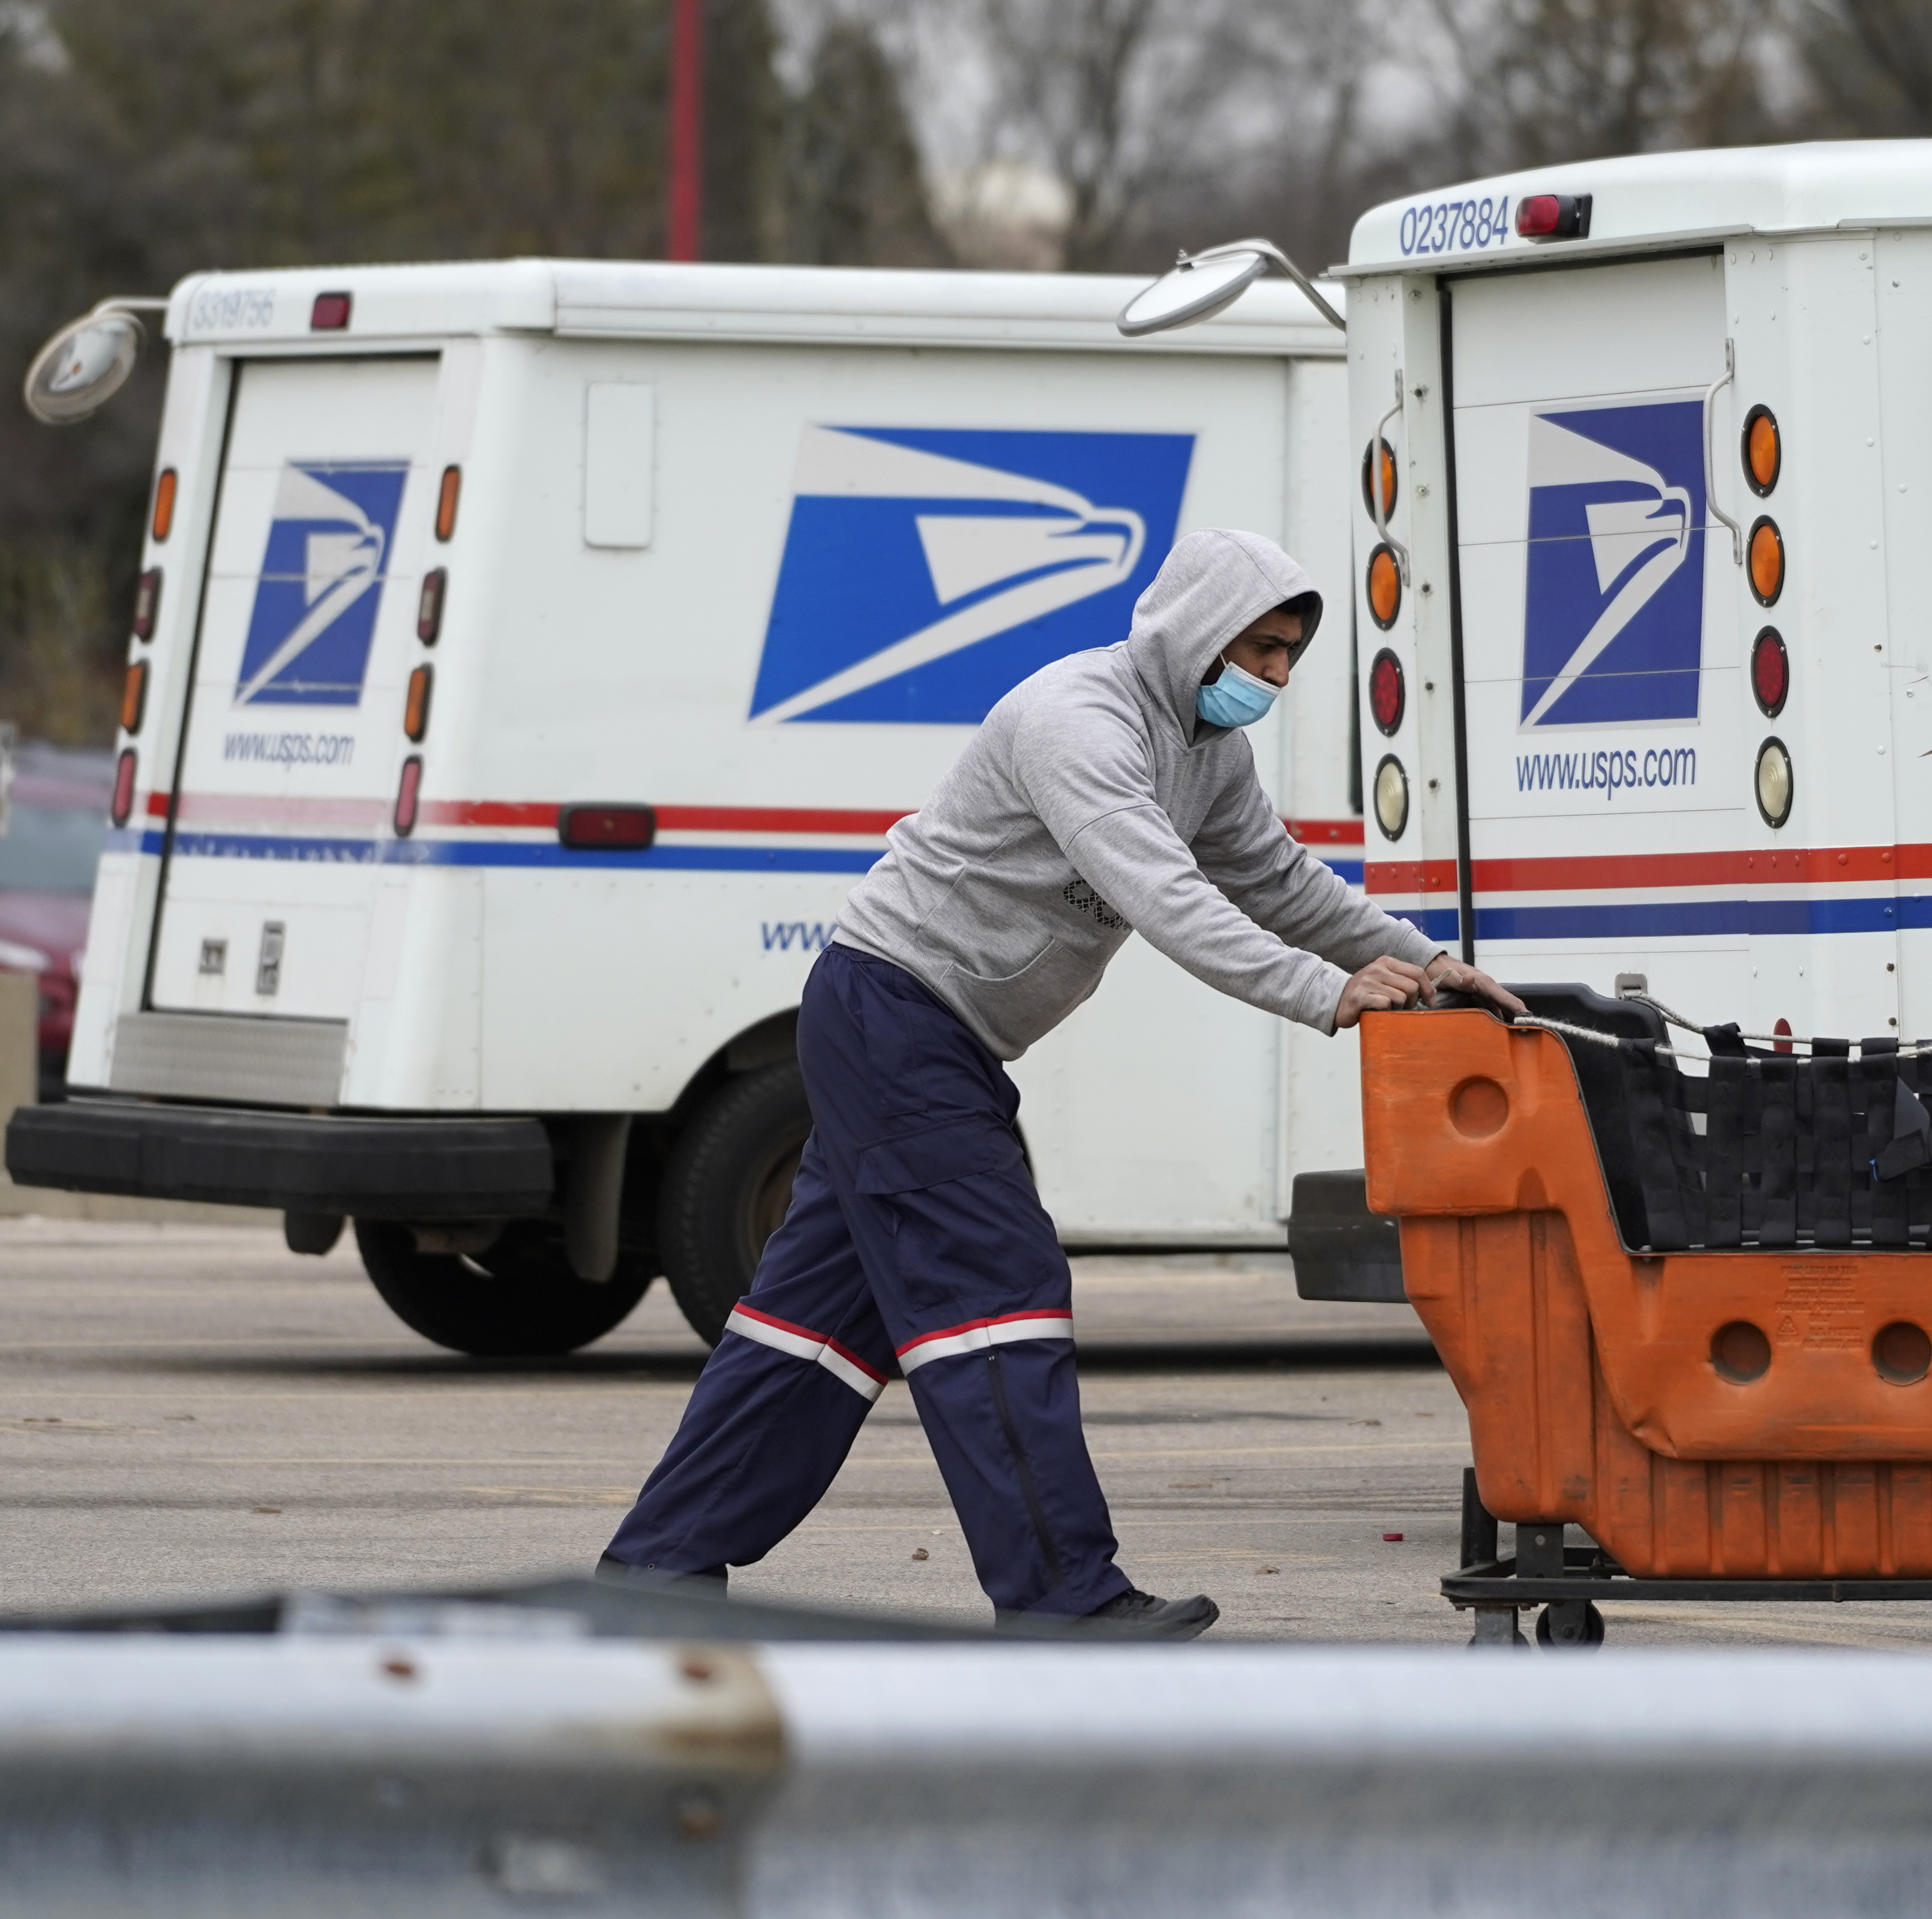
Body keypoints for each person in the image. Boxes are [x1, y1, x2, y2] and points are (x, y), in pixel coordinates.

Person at [601, 528, 1525, 1636]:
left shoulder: (1203, 747)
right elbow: (1163, 894)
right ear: (1194, 631)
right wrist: (1324, 996)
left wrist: (1419, 960)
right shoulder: (1074, 721)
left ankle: (656, 1569)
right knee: (996, 1291)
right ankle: (1060, 1600)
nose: (1274, 676)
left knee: (814, 1331)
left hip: (925, 1032)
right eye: (1261, 648)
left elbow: (1276, 879)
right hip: (893, 1015)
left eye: (1289, 656)